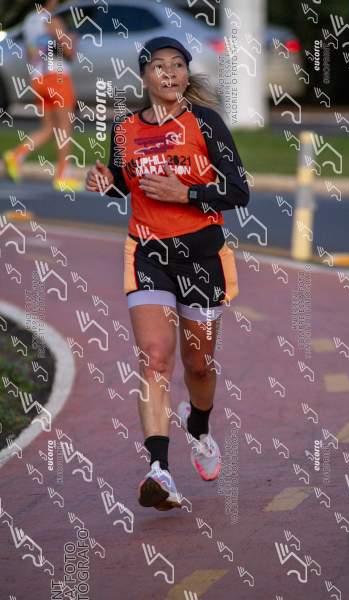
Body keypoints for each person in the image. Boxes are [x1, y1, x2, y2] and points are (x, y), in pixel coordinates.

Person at [85, 36, 250, 511]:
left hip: (201, 256)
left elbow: (239, 191)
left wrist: (188, 194)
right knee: (155, 359)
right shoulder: (124, 129)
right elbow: (123, 185)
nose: (171, 73)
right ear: (144, 75)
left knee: (199, 365)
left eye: (178, 65)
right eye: (160, 65)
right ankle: (159, 469)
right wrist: (104, 182)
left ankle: (198, 425)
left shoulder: (205, 123)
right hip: (148, 254)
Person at [2, 0, 80, 190]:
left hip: (39, 79)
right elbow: (69, 52)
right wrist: (71, 40)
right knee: (64, 128)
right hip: (58, 78)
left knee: (49, 128)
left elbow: (31, 54)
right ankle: (62, 175)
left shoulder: (29, 21)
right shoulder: (53, 21)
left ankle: (16, 155)